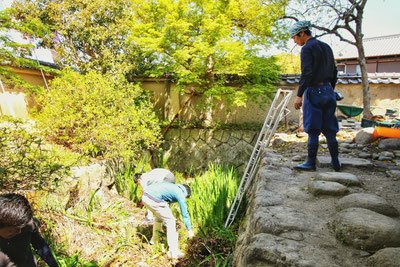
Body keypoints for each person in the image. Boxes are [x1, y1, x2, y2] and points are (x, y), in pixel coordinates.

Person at [289, 20, 341, 172]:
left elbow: (307, 73)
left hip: (314, 92)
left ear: (302, 33)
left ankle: (311, 162)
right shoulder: (326, 47)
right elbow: (334, 71)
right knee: (330, 129)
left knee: (313, 129)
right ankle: (335, 162)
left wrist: (299, 95)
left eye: (295, 37)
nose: (294, 40)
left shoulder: (307, 49)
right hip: (328, 90)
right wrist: (331, 87)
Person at [0, 193, 58, 267]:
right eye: (11, 230)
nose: (19, 231)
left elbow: (39, 244)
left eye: (21, 228)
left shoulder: (25, 223)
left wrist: (53, 265)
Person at [141, 182, 194, 259]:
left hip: (145, 196)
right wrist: (189, 229)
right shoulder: (180, 193)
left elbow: (165, 203)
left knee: (159, 217)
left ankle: (155, 240)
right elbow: (184, 212)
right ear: (186, 194)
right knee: (171, 221)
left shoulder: (173, 187)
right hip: (153, 199)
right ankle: (173, 252)